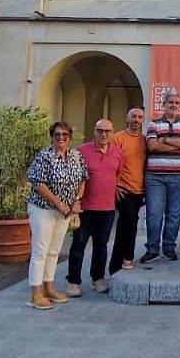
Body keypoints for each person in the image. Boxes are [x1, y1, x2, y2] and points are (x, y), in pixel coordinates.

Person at [26, 121, 88, 309]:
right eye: (57, 135)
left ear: (70, 137)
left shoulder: (76, 156)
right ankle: (35, 294)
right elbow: (38, 183)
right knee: (40, 250)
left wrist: (77, 200)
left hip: (66, 210)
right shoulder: (44, 156)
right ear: (51, 137)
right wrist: (58, 203)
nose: (61, 138)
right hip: (43, 209)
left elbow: (83, 178)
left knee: (54, 251)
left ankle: (49, 288)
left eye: (65, 135)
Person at [66, 119, 122, 296]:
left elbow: (117, 174)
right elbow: (74, 178)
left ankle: (97, 279)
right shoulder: (81, 151)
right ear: (94, 131)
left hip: (107, 208)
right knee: (78, 245)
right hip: (85, 208)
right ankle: (73, 282)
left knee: (101, 245)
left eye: (107, 131)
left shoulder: (117, 152)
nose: (104, 134)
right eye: (100, 130)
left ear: (112, 133)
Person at [141, 90, 180, 263]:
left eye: (176, 103)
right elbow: (152, 146)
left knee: (174, 214)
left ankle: (169, 247)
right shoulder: (153, 124)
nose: (173, 105)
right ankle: (152, 249)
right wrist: (177, 145)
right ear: (164, 104)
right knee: (154, 214)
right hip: (155, 177)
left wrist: (163, 141)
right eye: (170, 102)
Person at [109, 108, 146, 273]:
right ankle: (124, 259)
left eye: (139, 117)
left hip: (140, 189)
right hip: (123, 188)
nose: (136, 120)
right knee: (129, 221)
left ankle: (119, 261)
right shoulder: (118, 138)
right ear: (127, 118)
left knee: (128, 223)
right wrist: (115, 184)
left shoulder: (145, 140)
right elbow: (111, 163)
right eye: (133, 116)